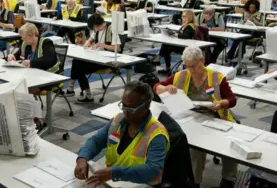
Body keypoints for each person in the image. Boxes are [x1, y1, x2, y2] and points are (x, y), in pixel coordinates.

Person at [154, 46, 238, 188]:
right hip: (190, 116)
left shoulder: (216, 77)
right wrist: (166, 88)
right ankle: (195, 181)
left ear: (202, 60)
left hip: (215, 116)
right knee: (194, 147)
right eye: (188, 66)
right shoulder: (182, 75)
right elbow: (156, 86)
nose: (191, 69)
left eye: (194, 66)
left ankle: (228, 178)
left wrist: (221, 103)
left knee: (230, 142)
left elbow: (232, 99)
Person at [75, 81, 169, 186]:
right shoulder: (117, 121)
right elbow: (96, 141)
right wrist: (82, 158)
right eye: (123, 106)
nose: (125, 112)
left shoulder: (157, 134)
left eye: (131, 108)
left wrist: (114, 173)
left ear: (147, 106)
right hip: (114, 182)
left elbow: (153, 169)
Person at [65, 14, 120, 102]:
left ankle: (85, 94)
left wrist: (102, 45)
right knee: (76, 61)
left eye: (94, 27)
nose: (94, 30)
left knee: (79, 67)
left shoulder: (111, 29)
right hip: (97, 57)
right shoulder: (97, 30)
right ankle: (73, 89)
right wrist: (87, 44)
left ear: (97, 25)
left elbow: (117, 48)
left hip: (107, 61)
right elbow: (90, 40)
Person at [157, 10, 197, 75]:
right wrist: (173, 33)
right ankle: (162, 61)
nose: (182, 18)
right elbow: (180, 33)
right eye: (182, 16)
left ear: (189, 17)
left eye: (184, 16)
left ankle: (160, 58)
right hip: (182, 45)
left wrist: (175, 34)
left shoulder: (190, 26)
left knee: (166, 46)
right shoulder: (185, 25)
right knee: (166, 46)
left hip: (186, 47)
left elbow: (185, 36)